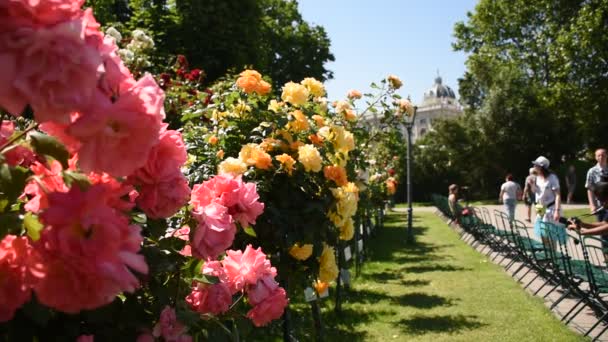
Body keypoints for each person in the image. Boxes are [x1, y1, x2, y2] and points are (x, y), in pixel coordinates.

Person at [531, 156, 565, 246]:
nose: (534, 166)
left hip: (551, 207)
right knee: (542, 233)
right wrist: (531, 185)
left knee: (550, 235)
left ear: (542, 167)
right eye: (534, 165)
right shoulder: (536, 177)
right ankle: (547, 254)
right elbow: (535, 192)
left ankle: (553, 256)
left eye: (536, 165)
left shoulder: (552, 178)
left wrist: (557, 211)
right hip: (539, 206)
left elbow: (558, 195)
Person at [585, 148, 608, 222]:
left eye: (603, 155)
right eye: (599, 155)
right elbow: (589, 189)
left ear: (606, 156)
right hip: (599, 205)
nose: (601, 157)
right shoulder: (592, 171)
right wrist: (592, 205)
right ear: (596, 157)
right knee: (601, 228)